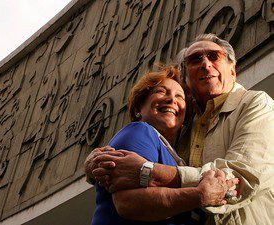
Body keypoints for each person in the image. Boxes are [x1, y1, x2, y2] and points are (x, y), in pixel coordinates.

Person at [85, 33, 274, 225]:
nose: (206, 64)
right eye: (195, 59)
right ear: (186, 79)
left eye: (214, 56)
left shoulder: (256, 103)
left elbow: (242, 176)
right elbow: (125, 187)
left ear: (232, 70)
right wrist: (96, 166)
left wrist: (149, 172)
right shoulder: (179, 127)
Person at [90, 66, 238, 225]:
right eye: (161, 91)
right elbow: (128, 203)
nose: (171, 99)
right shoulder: (139, 131)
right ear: (139, 107)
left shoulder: (175, 156)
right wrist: (198, 196)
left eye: (180, 97)